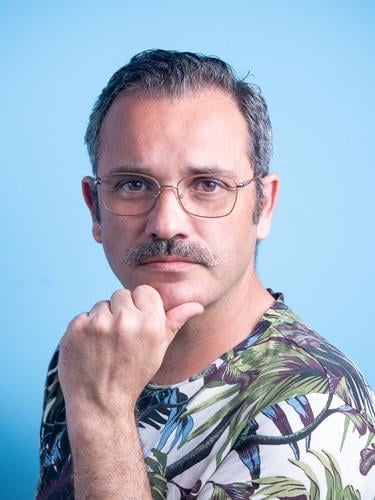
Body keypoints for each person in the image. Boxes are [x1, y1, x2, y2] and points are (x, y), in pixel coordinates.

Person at [36, 49, 374, 499]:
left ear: (264, 205)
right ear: (94, 207)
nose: (166, 222)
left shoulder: (312, 416)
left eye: (207, 185)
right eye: (134, 184)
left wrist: (103, 417)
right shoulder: (88, 358)